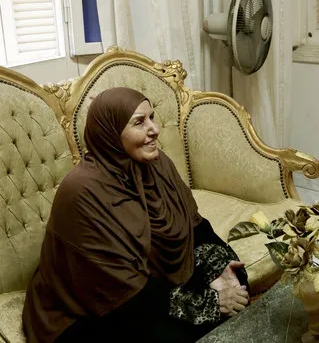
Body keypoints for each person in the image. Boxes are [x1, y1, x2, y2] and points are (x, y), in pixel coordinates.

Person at [23, 87, 250, 343]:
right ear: (110, 133)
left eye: (151, 117)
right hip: (100, 299)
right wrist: (209, 302)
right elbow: (116, 283)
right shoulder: (82, 192)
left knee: (236, 278)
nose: (154, 129)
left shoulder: (157, 164)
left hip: (150, 277)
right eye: (139, 122)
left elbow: (194, 227)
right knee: (173, 335)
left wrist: (220, 271)